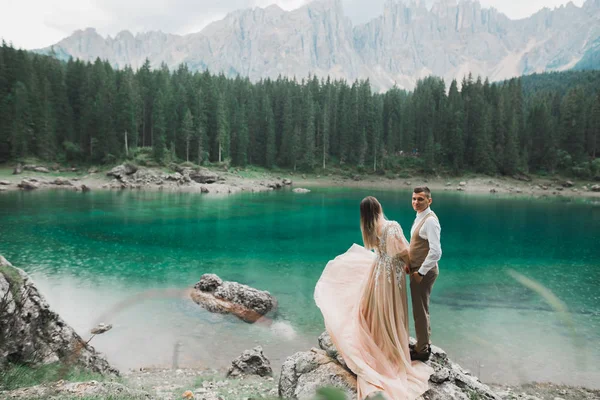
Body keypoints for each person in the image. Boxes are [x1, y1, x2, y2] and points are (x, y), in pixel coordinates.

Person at [315, 196, 433, 400]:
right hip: (392, 275)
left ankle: (379, 343)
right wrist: (414, 264)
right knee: (392, 310)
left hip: (377, 273)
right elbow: (404, 251)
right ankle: (392, 348)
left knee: (379, 309)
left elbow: (381, 251)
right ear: (379, 207)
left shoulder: (370, 229)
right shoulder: (392, 226)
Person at [408, 187, 441, 362]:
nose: (416, 202)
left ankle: (421, 351)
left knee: (420, 311)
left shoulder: (430, 221)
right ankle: (422, 344)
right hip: (417, 269)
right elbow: (418, 246)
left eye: (420, 199)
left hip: (423, 272)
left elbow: (436, 252)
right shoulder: (420, 217)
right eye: (413, 199)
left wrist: (420, 272)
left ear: (429, 200)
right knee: (420, 309)